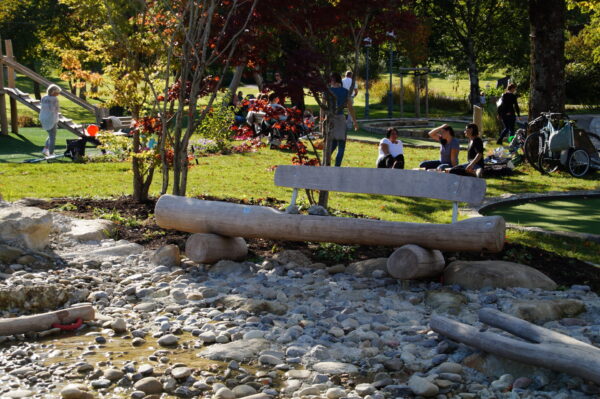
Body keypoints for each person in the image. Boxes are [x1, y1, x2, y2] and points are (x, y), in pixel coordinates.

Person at [327, 72, 358, 167]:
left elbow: (323, 108)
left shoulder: (328, 91)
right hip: (340, 119)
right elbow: (350, 108)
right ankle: (337, 167)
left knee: (333, 144)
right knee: (341, 145)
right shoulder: (345, 92)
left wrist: (321, 120)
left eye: (330, 79)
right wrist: (355, 122)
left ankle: (325, 163)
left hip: (330, 119)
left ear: (333, 80)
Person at [39, 84, 61, 157]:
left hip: (43, 117)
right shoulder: (54, 99)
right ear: (53, 92)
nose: (58, 94)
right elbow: (56, 109)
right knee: (52, 137)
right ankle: (51, 153)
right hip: (51, 118)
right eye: (57, 92)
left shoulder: (44, 97)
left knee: (50, 134)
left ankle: (45, 149)